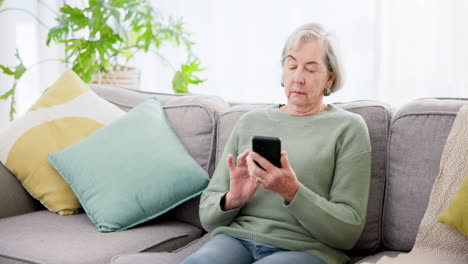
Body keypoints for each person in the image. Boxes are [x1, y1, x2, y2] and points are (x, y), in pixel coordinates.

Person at [181, 23, 371, 264]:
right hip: (235, 240)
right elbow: (208, 216)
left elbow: (348, 232)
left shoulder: (348, 128)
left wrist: (292, 191)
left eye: (311, 70)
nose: (298, 78)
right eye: (291, 66)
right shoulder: (250, 122)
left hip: (306, 250)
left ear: (329, 79)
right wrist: (233, 199)